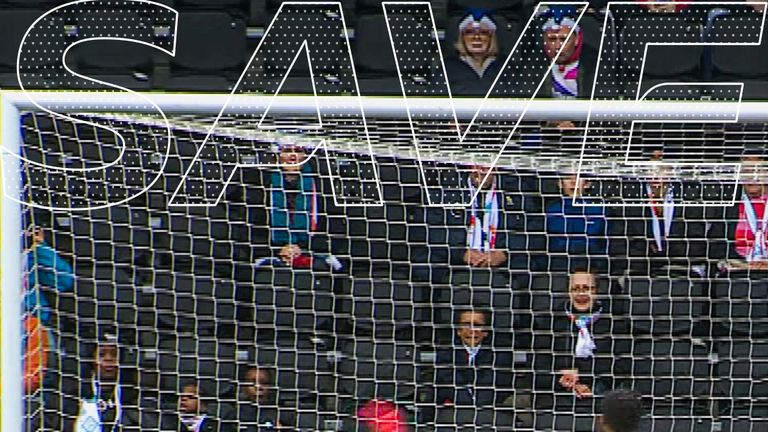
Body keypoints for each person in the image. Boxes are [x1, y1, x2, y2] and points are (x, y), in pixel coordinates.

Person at [246, 137, 343, 272]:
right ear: (278, 155)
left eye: (297, 151)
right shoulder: (260, 184)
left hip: (312, 253)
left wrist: (302, 249)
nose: (292, 156)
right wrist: (280, 249)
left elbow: (334, 227)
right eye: (287, 151)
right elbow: (251, 227)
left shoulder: (322, 185)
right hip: (271, 253)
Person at [533, 269, 630, 400]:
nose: (581, 293)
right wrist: (561, 377)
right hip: (557, 394)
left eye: (587, 288)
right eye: (575, 289)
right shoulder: (551, 322)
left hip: (603, 393)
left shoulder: (614, 322)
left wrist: (586, 381)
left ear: (596, 291)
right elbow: (539, 363)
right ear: (569, 292)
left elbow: (621, 365)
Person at [615, 163, 711, 277]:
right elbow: (618, 246)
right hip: (642, 271)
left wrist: (661, 255)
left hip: (682, 270)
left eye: (661, 169)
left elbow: (699, 246)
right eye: (651, 168)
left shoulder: (690, 196)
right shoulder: (628, 198)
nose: (655, 174)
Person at [434, 306, 515, 428]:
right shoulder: (446, 353)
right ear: (458, 331)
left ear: (486, 332)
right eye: (466, 325)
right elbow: (449, 385)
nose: (472, 331)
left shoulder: (500, 353)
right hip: (456, 413)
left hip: (490, 413)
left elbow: (492, 387)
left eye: (477, 325)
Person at [62, 330, 142, 432]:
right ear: (92, 359)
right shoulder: (76, 394)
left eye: (114, 354)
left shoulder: (130, 396)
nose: (108, 359)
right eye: (102, 354)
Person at [710, 155, 768, 272]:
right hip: (739, 272)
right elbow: (716, 247)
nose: (752, 177)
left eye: (758, 171)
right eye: (746, 171)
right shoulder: (728, 204)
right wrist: (741, 265)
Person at [542, 173, 608, 271]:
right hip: (557, 267)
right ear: (560, 183)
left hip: (593, 266)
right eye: (568, 177)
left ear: (587, 184)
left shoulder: (600, 211)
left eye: (578, 177)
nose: (573, 182)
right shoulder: (550, 211)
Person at [445, 11, 504, 96]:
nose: (476, 37)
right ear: (461, 38)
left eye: (483, 32)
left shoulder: (506, 67)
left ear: (492, 38)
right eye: (470, 32)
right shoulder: (447, 69)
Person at [237, 365, 293, 431]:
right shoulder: (235, 414)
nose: (258, 387)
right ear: (243, 387)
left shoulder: (283, 415)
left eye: (264, 383)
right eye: (252, 383)